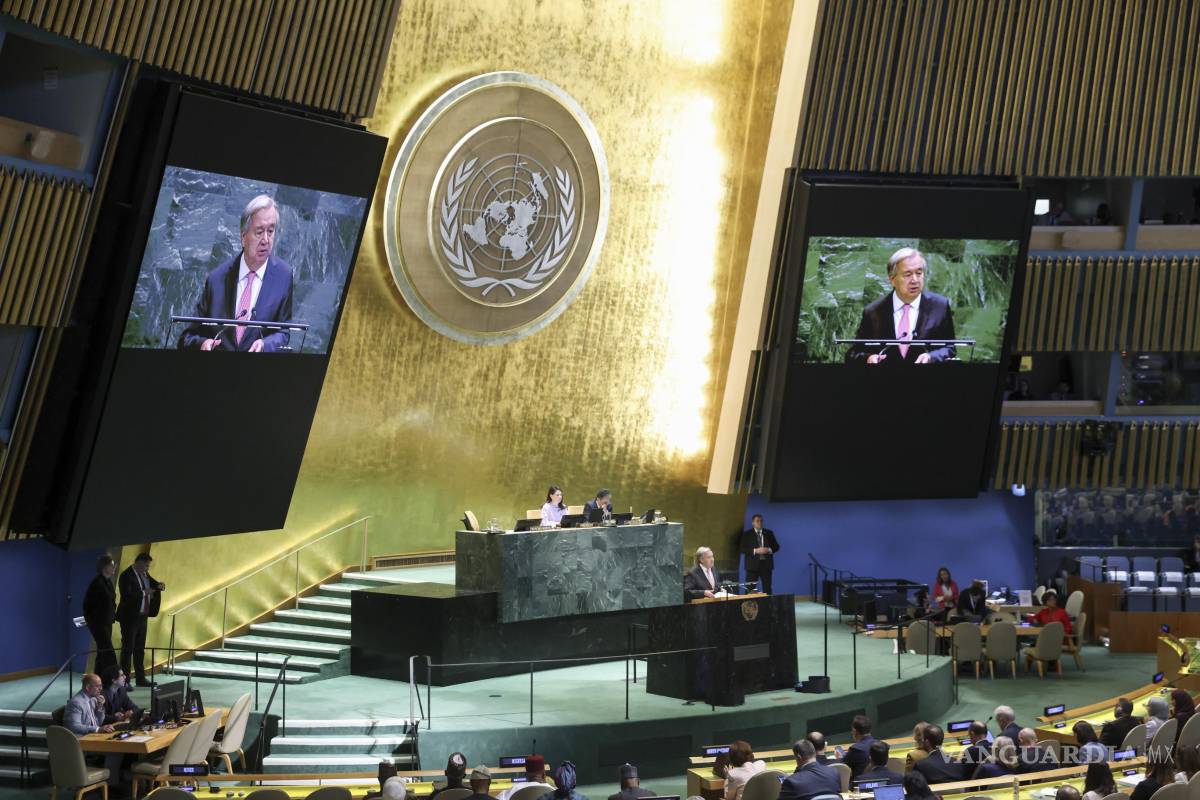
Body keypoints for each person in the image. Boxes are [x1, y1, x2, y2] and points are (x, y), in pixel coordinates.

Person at [179, 194, 295, 353]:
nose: (266, 240)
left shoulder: (283, 276)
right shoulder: (216, 279)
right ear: (243, 237)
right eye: (259, 232)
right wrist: (203, 344)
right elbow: (188, 337)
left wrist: (265, 344)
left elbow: (283, 332)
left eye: (270, 231)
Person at [845, 247, 957, 365]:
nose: (915, 280)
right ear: (892, 279)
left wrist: (931, 357)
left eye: (919, 273)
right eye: (907, 274)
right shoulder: (873, 312)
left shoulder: (939, 306)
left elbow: (950, 348)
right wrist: (869, 358)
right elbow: (854, 353)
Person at [116, 553, 165, 687]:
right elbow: (126, 596)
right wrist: (144, 592)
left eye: (148, 566)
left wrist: (160, 585)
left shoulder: (145, 574)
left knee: (139, 649)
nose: (148, 568)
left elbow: (153, 584)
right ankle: (125, 681)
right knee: (128, 649)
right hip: (129, 618)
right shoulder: (126, 575)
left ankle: (140, 679)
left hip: (143, 617)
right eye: (146, 565)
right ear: (138, 562)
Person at [83, 555, 118, 678]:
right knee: (108, 652)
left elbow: (111, 601)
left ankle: (98, 678)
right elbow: (87, 605)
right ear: (105, 567)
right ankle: (117, 679)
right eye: (112, 565)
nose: (114, 567)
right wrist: (93, 621)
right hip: (99, 623)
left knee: (102, 651)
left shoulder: (108, 582)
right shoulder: (97, 583)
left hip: (107, 622)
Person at [739, 514, 780, 595]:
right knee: (750, 588)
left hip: (766, 565)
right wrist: (755, 551)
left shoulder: (769, 533)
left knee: (767, 588)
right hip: (752, 566)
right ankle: (748, 603)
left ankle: (767, 603)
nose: (760, 523)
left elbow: (776, 547)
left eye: (761, 521)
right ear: (753, 523)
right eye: (757, 521)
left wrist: (768, 550)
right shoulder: (747, 534)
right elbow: (741, 549)